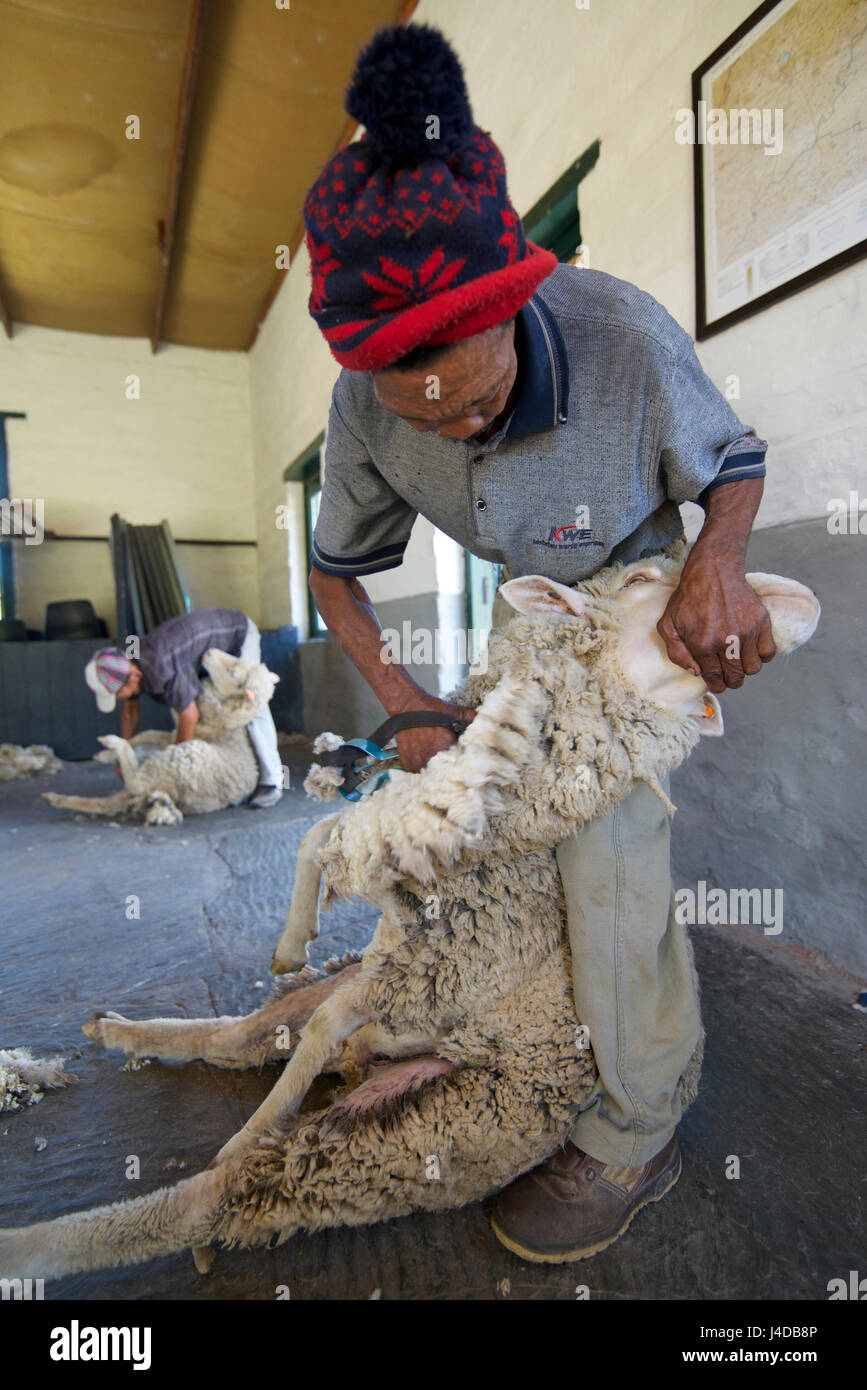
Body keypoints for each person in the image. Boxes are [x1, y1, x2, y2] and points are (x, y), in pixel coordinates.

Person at [301, 24, 775, 1261]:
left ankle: (640, 1120)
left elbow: (732, 463)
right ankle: (486, 1019)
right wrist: (405, 700)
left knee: (604, 834)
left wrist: (718, 560)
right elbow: (336, 575)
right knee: (479, 813)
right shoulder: (367, 406)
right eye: (423, 410)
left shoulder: (619, 333)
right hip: (527, 605)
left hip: (631, 586)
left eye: (472, 386)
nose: (454, 420)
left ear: (512, 303)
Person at [84, 607, 283, 809]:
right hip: (202, 650)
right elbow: (131, 710)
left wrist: (174, 765)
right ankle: (228, 784)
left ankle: (272, 780)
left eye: (117, 694)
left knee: (250, 703)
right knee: (201, 713)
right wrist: (122, 755)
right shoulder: (132, 661)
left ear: (133, 677)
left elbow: (189, 716)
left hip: (236, 634)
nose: (118, 699)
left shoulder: (161, 666)